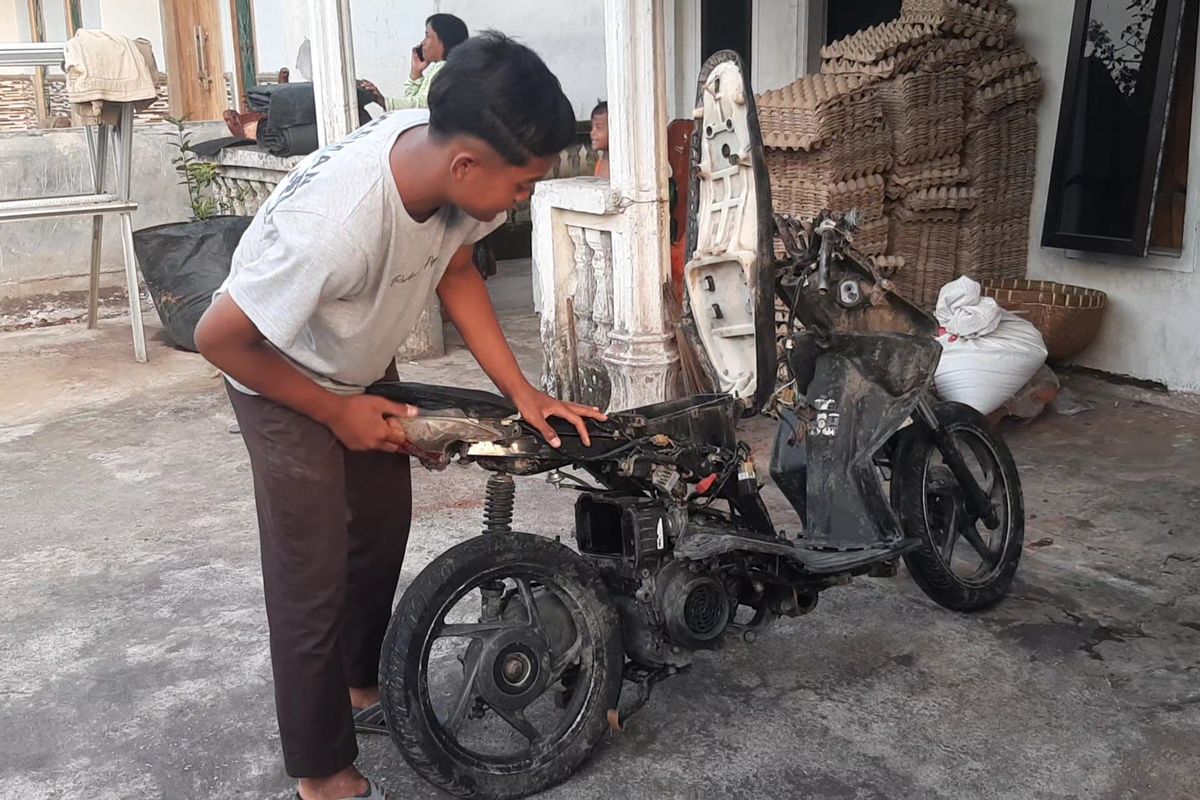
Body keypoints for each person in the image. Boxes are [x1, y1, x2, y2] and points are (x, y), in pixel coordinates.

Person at [194, 32, 605, 800]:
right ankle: (322, 772)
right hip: (275, 369)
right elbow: (218, 337)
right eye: (522, 188)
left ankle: (358, 687)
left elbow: (454, 271)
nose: (522, 202)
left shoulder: (450, 176)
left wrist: (525, 391)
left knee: (380, 530)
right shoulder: (339, 220)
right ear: (466, 167)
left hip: (354, 357)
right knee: (308, 573)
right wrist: (334, 413)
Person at [360, 13, 469, 112]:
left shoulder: (447, 72)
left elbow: (424, 105)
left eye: (427, 36)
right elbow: (412, 105)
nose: (423, 43)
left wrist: (385, 101)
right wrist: (416, 71)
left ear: (444, 40)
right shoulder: (441, 68)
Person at [590, 100, 609, 179]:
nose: (592, 133)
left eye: (599, 127)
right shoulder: (600, 164)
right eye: (592, 127)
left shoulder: (620, 167)